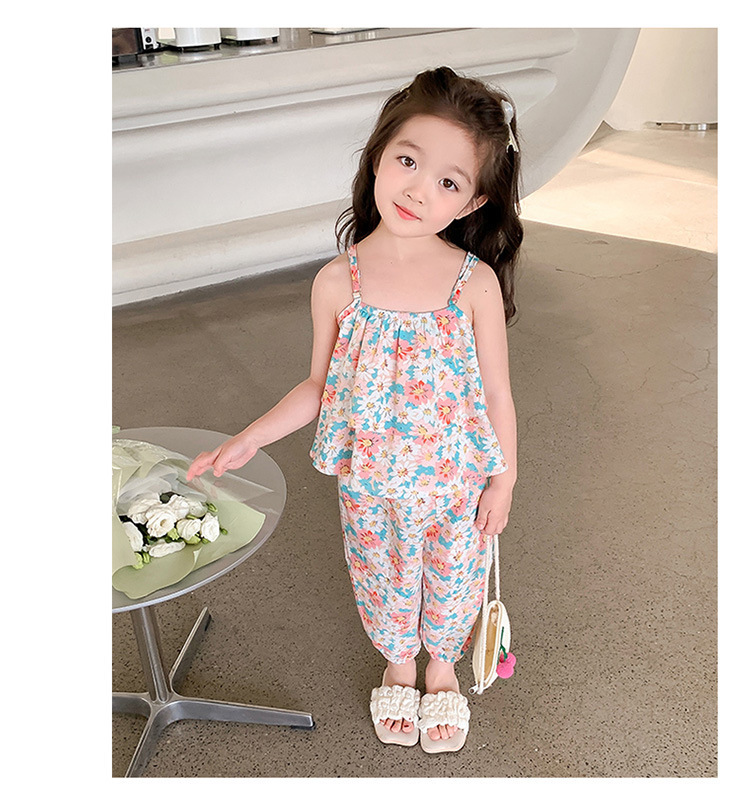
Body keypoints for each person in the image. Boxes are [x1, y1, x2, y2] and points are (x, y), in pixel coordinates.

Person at [187, 66, 522, 754]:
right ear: (378, 157)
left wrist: (505, 478)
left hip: (456, 482)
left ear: (474, 201)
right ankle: (399, 663)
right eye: (408, 161)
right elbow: (320, 385)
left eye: (449, 182)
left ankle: (442, 667)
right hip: (371, 482)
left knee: (454, 579)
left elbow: (496, 392)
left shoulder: (474, 284)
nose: (418, 190)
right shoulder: (340, 281)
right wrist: (252, 436)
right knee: (382, 576)